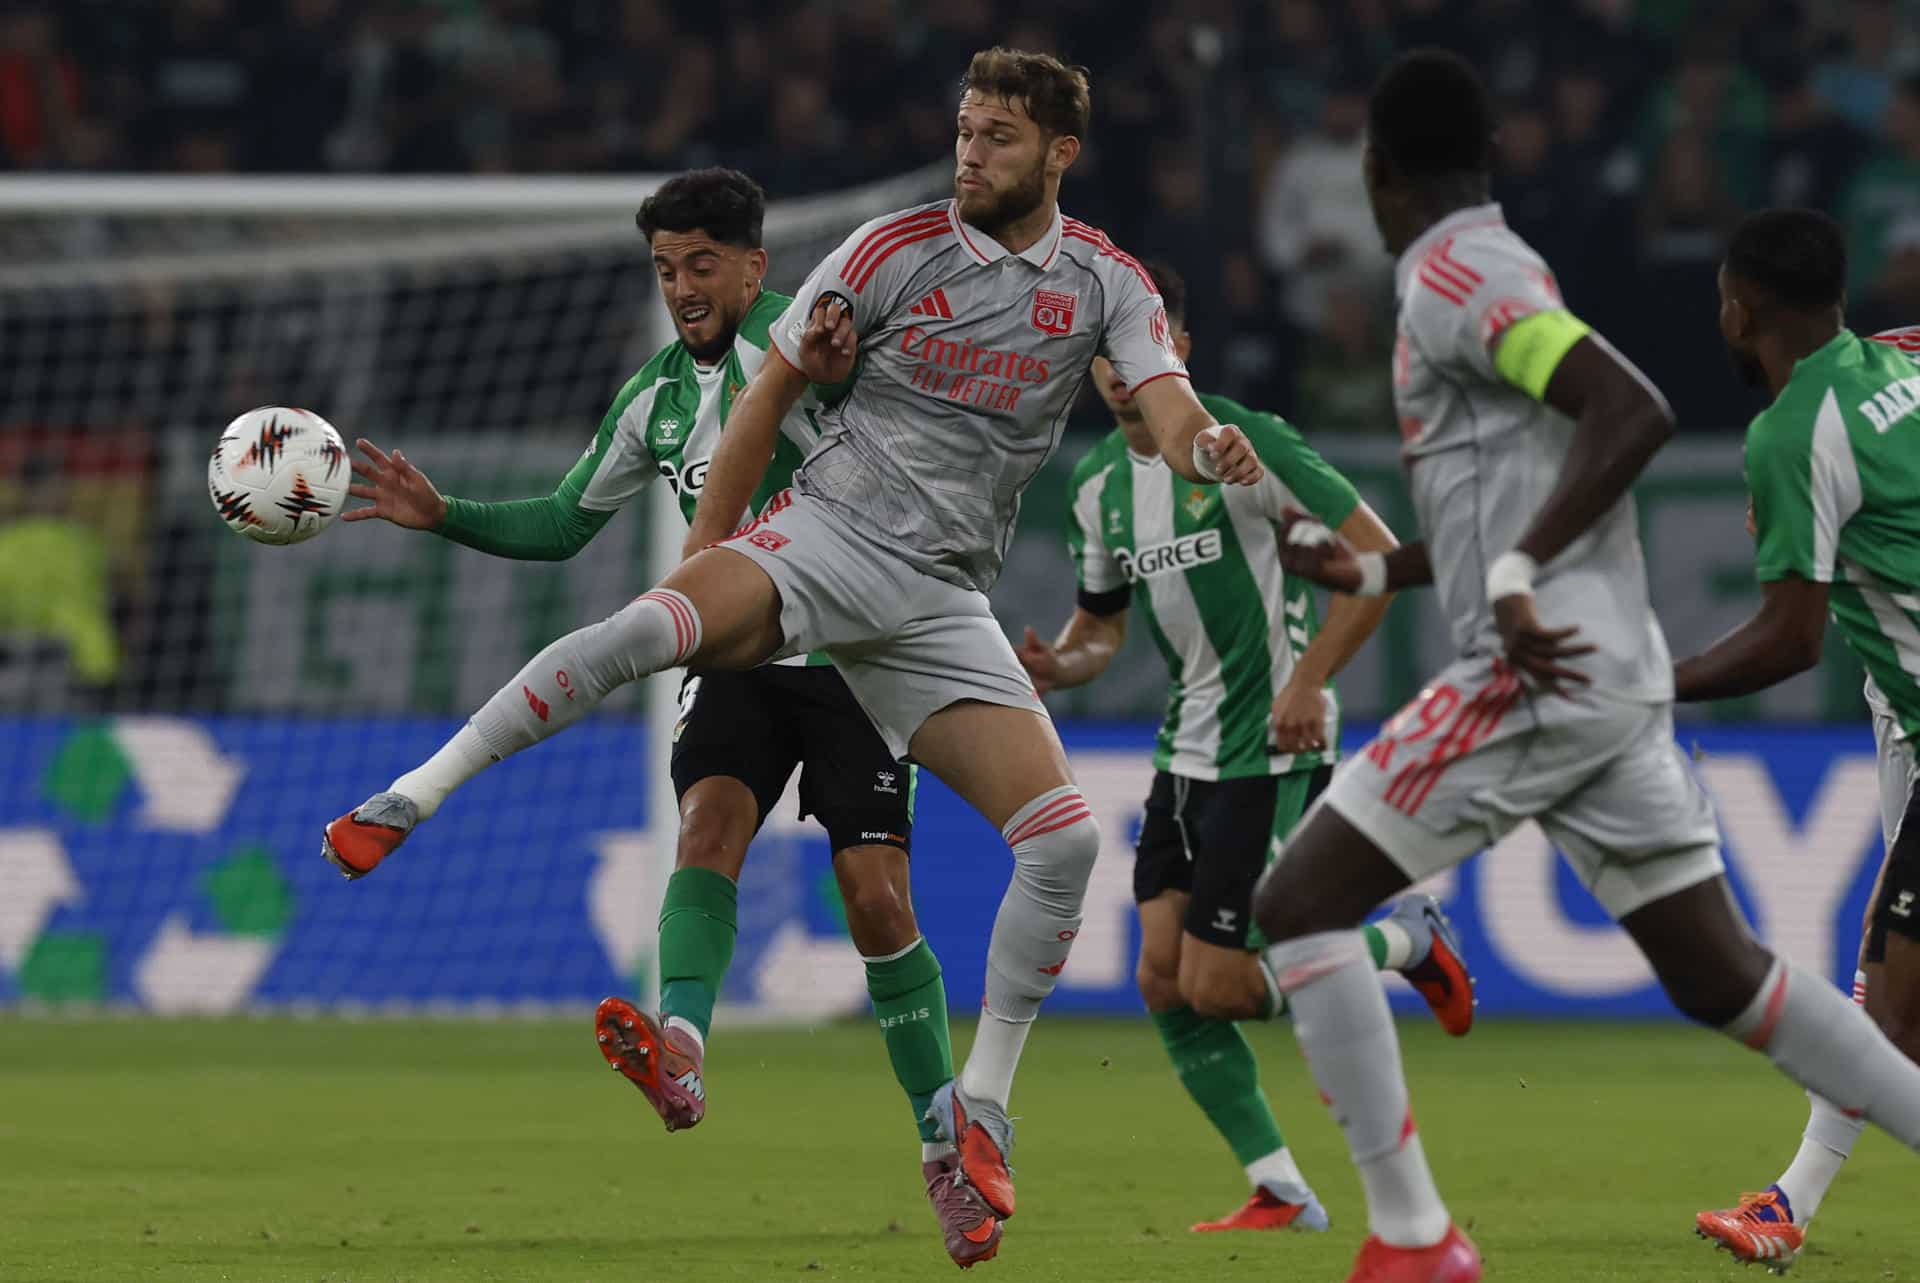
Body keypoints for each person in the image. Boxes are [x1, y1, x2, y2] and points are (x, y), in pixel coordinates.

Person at [321, 47, 1264, 1267]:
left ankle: (978, 1111)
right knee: (646, 634)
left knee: (1064, 840)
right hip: (825, 535)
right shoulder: (883, 251)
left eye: (998, 138)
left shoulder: (1106, 284)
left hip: (937, 595)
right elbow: (774, 387)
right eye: (966, 130)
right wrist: (717, 549)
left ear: (1059, 154)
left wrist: (1208, 450)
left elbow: (1170, 403)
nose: (971, 153)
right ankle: (410, 797)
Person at [1253, 51, 1920, 1283]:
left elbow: (1632, 409)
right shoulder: (1496, 268)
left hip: (1538, 670)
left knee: (1293, 909)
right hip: (1606, 677)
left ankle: (1412, 1237)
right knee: (1724, 974)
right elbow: (1509, 485)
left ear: (1376, 172)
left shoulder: (1456, 272)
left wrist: (1510, 573)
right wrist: (1369, 570)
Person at [334, 168, 976, 1257]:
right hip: (736, 649)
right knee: (707, 828)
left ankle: (944, 1148)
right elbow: (561, 521)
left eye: (701, 264)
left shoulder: (815, 341)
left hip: (857, 652)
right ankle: (679, 1041)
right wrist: (445, 515)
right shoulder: (658, 397)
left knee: (875, 897)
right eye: (666, 268)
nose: (681, 286)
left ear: (753, 265)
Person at [1016, 258, 1474, 1236]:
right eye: (1101, 352)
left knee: (1219, 984)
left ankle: (1408, 938)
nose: (1117, 369)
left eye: (1137, 346)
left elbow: (1378, 565)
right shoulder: (1098, 485)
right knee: (1160, 976)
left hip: (1271, 743)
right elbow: (1102, 627)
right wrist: (1061, 660)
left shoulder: (1246, 444)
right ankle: (1280, 1184)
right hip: (1183, 752)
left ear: (1176, 348)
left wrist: (1310, 681)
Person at [1678, 210, 1920, 1271]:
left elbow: (1789, 636)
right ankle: (1788, 1202)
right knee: (1894, 998)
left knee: (1891, 1006)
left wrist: (1646, 687)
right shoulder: (1898, 358)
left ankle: (1788, 1204)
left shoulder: (1790, 434)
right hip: (1907, 714)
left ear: (1739, 308)